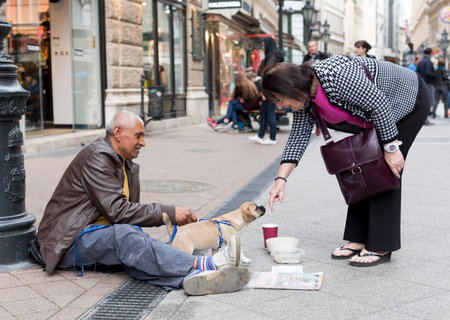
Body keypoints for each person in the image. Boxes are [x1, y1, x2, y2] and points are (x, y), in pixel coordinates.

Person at [37, 110, 250, 295]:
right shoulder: (97, 157)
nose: (143, 142)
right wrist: (168, 212)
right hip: (66, 243)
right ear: (118, 133)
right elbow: (117, 212)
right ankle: (209, 264)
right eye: (138, 136)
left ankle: (191, 279)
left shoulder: (125, 162)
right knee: (126, 238)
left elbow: (124, 216)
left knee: (136, 247)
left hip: (96, 236)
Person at [261, 55, 429, 267]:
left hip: (406, 101)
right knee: (362, 168)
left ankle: (381, 243)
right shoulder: (304, 99)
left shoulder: (335, 75)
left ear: (291, 86)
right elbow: (298, 138)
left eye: (279, 99)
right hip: (377, 115)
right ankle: (358, 238)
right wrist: (280, 180)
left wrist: (391, 148)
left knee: (385, 171)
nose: (281, 106)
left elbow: (378, 104)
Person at [248, 37, 284, 145]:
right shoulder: (274, 54)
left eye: (264, 45)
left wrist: (265, 91)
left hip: (270, 88)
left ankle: (272, 138)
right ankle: (260, 135)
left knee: (269, 112)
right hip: (271, 87)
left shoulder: (273, 55)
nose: (263, 47)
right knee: (263, 112)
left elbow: (269, 73)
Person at [417, 48, 435, 125]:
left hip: (422, 83)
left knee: (424, 102)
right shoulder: (428, 62)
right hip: (428, 83)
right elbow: (428, 73)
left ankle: (423, 120)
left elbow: (418, 72)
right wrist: (435, 75)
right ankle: (425, 120)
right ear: (430, 53)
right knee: (430, 101)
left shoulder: (421, 61)